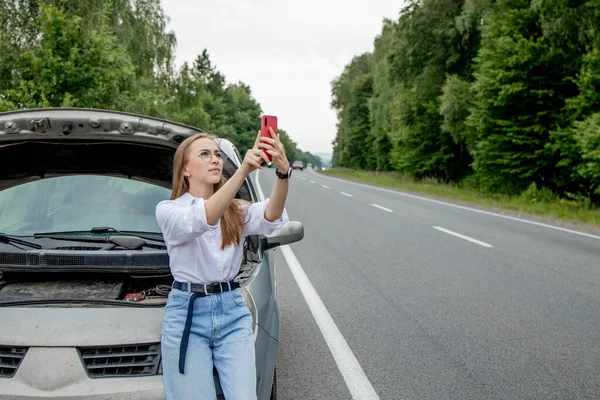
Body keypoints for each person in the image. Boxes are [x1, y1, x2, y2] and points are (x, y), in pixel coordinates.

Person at [155, 127, 292, 399]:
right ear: (185, 169)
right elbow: (203, 218)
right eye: (205, 154)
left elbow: (271, 216)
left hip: (232, 309)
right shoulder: (168, 210)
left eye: (217, 154)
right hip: (187, 314)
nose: (215, 159)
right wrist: (242, 171)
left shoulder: (235, 210)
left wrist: (283, 173)